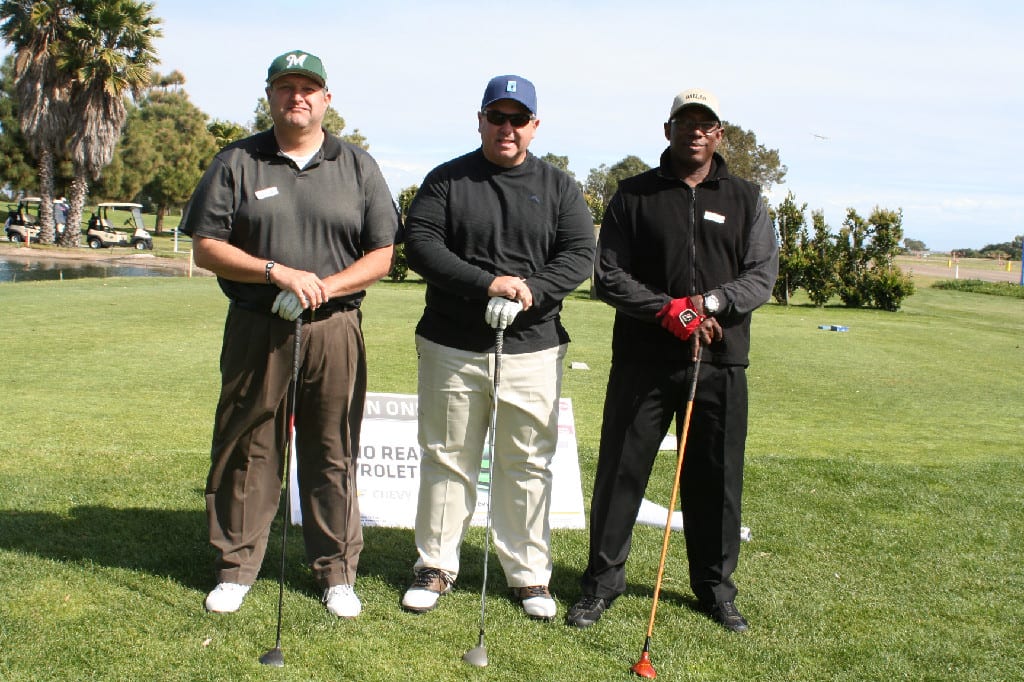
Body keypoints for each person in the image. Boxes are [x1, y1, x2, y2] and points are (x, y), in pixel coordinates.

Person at [180, 49, 401, 618]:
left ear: (326, 99)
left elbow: (382, 254)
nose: (296, 96)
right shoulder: (237, 161)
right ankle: (236, 566)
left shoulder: (357, 165)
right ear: (270, 96)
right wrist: (276, 272)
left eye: (308, 87)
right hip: (259, 325)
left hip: (333, 328)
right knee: (249, 444)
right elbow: (207, 248)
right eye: (285, 87)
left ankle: (336, 572)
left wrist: (324, 285)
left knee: (332, 447)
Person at [566, 88, 778, 632]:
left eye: (706, 123)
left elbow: (760, 276)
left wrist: (708, 305)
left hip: (720, 360)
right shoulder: (634, 194)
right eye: (686, 122)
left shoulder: (747, 198)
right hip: (644, 359)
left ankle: (715, 589)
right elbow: (608, 275)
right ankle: (601, 584)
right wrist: (669, 312)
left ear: (719, 134)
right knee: (620, 473)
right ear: (669, 130)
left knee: (716, 478)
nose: (696, 132)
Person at [400, 75, 595, 621]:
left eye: (518, 119)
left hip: (533, 347)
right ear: (480, 119)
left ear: (534, 125)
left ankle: (529, 575)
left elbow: (580, 253)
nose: (506, 128)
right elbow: (420, 244)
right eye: (497, 117)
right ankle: (434, 566)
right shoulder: (448, 180)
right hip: (451, 344)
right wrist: (489, 283)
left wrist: (532, 290)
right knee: (446, 458)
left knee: (527, 462)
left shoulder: (559, 186)